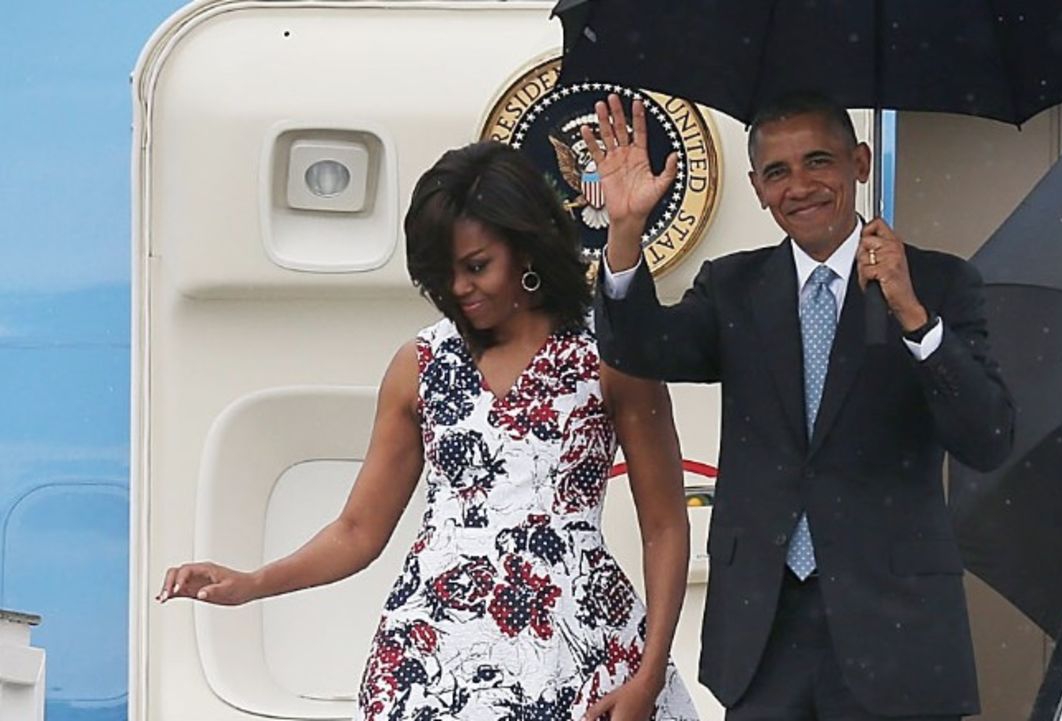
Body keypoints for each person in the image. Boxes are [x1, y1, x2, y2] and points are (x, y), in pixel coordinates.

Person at [157, 141, 700, 721]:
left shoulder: (609, 352)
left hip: (579, 655)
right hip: (430, 663)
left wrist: (649, 673)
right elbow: (358, 530)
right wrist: (253, 583)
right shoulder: (418, 365)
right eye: (444, 273)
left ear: (526, 248)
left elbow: (664, 526)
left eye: (476, 266)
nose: (460, 288)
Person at [587, 92, 1016, 721]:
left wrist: (914, 316)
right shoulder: (732, 287)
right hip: (764, 631)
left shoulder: (940, 282)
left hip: (894, 630)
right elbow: (638, 346)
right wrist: (625, 231)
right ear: (758, 188)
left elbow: (988, 436)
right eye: (778, 172)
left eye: (819, 162)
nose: (801, 186)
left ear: (859, 163)